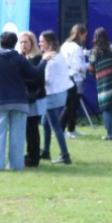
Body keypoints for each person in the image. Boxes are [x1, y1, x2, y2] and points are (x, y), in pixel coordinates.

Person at [0, 31, 47, 172]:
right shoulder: (20, 59)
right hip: (19, 101)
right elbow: (35, 73)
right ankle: (16, 165)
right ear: (15, 43)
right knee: (17, 134)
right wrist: (44, 61)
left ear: (0, 42)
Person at [39, 30, 74, 164]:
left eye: (42, 41)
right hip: (59, 93)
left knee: (55, 126)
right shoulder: (59, 55)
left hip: (51, 95)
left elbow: (47, 79)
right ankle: (46, 151)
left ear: (49, 43)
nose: (39, 44)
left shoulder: (51, 59)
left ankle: (65, 154)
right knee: (45, 123)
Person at [88, 27, 112, 140]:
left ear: (95, 38)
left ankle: (109, 134)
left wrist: (95, 74)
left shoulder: (94, 52)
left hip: (103, 83)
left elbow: (91, 69)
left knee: (106, 108)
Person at [19, 31, 47, 167]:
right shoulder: (22, 57)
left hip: (34, 97)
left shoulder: (36, 58)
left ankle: (33, 156)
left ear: (32, 43)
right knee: (28, 128)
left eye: (26, 42)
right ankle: (30, 154)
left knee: (32, 128)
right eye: (21, 42)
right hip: (26, 96)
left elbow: (37, 78)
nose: (23, 45)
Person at [60, 23, 88, 138]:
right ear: (80, 34)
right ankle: (61, 130)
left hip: (66, 78)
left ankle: (71, 129)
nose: (85, 38)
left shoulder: (65, 45)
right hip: (75, 79)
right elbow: (78, 66)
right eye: (84, 35)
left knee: (74, 105)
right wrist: (88, 64)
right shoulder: (76, 48)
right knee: (70, 106)